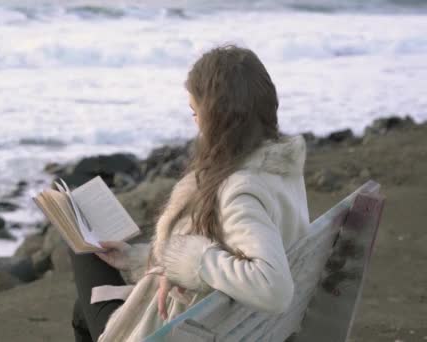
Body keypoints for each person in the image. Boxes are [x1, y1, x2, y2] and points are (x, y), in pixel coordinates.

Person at [68, 43, 311, 342]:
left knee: (79, 247)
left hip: (180, 332)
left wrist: (193, 259)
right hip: (234, 324)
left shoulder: (240, 191)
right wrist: (137, 259)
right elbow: (236, 250)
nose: (195, 123)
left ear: (217, 117)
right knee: (84, 307)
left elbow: (273, 287)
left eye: (196, 113)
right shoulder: (281, 168)